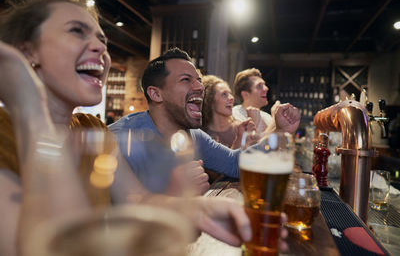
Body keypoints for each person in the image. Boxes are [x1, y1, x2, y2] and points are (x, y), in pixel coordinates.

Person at [0, 0, 254, 255]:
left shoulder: (92, 128)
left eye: (102, 40)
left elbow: (139, 200)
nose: (101, 49)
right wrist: (31, 107)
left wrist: (199, 208)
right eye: (77, 31)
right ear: (27, 51)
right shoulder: (4, 133)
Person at [110, 48, 301, 193]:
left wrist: (280, 131)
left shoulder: (193, 136)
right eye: (186, 79)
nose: (200, 87)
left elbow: (236, 163)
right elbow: (102, 217)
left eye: (199, 80)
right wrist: (173, 194)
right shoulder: (117, 140)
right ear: (156, 94)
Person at [233, 68, 300, 134]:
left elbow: (275, 142)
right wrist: (275, 119)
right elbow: (250, 143)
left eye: (264, 85)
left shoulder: (267, 116)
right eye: (259, 86)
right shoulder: (235, 115)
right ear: (245, 95)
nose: (266, 88)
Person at [202, 75, 255, 149]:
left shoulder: (241, 128)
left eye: (230, 94)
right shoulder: (202, 135)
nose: (231, 98)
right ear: (209, 100)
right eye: (224, 94)